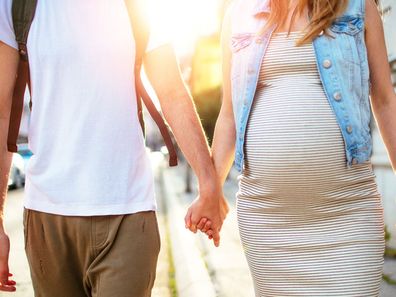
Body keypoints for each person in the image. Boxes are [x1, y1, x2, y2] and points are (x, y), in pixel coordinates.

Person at [0, 0, 228, 296]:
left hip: (128, 212)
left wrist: (209, 183)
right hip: (47, 216)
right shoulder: (17, 6)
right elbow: (2, 110)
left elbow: (172, 92)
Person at [190, 0, 396, 295]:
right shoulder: (238, 15)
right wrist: (209, 191)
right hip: (269, 222)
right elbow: (229, 115)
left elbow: (386, 102)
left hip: (347, 216)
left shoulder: (358, 7)